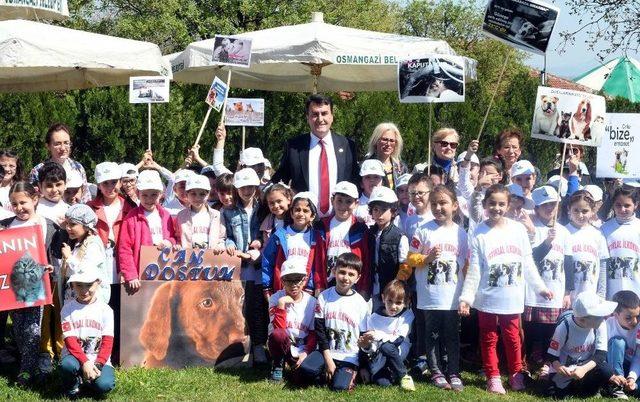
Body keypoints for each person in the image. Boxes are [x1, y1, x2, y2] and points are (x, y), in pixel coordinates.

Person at [459, 184, 552, 394]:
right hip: (488, 299)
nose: (496, 208)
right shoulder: (479, 232)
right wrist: (466, 298)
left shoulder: (518, 229)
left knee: (512, 337)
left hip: (512, 297)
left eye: (502, 204)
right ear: (484, 205)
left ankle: (516, 374)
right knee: (489, 337)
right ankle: (493, 376)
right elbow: (474, 269)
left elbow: (527, 263)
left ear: (508, 205)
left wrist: (540, 288)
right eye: (492, 203)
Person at [407, 185, 467, 391]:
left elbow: (466, 266)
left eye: (443, 203)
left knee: (452, 335)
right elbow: (410, 258)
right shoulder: (423, 229)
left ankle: (453, 371)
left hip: (452, 296)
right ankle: (436, 371)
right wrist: (426, 258)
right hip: (430, 296)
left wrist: (466, 296)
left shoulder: (462, 233)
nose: (438, 207)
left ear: (455, 206)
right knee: (431, 334)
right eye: (434, 204)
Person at [0, 182, 62, 385]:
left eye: (23, 202)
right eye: (14, 204)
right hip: (14, 290)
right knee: (18, 329)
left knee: (34, 329)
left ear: (35, 199)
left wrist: (51, 267)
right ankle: (29, 364)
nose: (19, 208)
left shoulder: (47, 225)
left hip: (38, 287)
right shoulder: (6, 226)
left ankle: (28, 369)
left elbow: (54, 255)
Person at [271, 94, 359, 217]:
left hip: (339, 220)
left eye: (324, 113)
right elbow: (280, 179)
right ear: (307, 117)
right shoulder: (294, 147)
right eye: (315, 114)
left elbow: (355, 179)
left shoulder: (347, 145)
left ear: (332, 116)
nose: (320, 119)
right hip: (305, 222)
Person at [298, 252, 369, 391]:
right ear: (334, 271)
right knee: (305, 370)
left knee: (339, 387)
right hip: (327, 351)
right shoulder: (324, 296)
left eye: (351, 274)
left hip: (349, 356)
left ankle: (346, 375)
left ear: (358, 278)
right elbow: (320, 331)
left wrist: (364, 366)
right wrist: (328, 359)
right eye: (342, 272)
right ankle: (330, 373)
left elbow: (363, 338)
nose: (345, 278)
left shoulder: (361, 303)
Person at [523, 186, 572, 372]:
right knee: (530, 330)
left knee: (550, 333)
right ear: (536, 208)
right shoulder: (530, 229)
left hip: (555, 290)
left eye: (553, 204)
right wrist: (546, 243)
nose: (549, 208)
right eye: (545, 205)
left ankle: (546, 364)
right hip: (532, 292)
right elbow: (530, 259)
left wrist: (568, 292)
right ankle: (525, 364)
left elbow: (568, 263)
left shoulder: (564, 232)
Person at [222, 168, 266, 363]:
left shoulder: (262, 209)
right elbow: (228, 236)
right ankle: (240, 349)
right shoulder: (229, 211)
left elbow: (266, 233)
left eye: (251, 187)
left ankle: (258, 346)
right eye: (243, 187)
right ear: (236, 189)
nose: (247, 191)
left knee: (256, 307)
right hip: (239, 265)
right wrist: (230, 246)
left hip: (257, 264)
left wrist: (259, 244)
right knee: (239, 307)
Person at [546, 292, 622, 398]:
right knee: (554, 395)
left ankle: (590, 387)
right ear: (582, 319)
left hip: (587, 367)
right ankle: (573, 386)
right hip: (566, 369)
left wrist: (583, 369)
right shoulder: (564, 327)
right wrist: (559, 368)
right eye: (599, 316)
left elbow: (601, 354)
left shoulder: (600, 324)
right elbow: (552, 355)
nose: (603, 317)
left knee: (606, 370)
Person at [117, 170, 177, 296]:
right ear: (138, 194)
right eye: (145, 195)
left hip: (163, 270)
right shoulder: (131, 217)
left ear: (160, 194)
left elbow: (173, 237)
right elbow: (124, 248)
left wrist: (170, 242)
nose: (149, 199)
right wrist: (131, 274)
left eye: (154, 195)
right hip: (140, 273)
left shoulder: (166, 215)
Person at [60, 267, 115, 398]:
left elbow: (108, 341)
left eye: (89, 285)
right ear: (72, 285)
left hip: (97, 358)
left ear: (98, 283)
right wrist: (85, 362)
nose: (84, 291)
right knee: (67, 365)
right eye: (78, 285)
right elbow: (70, 340)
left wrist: (98, 364)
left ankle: (88, 380)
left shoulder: (105, 310)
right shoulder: (67, 309)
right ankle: (72, 385)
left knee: (104, 385)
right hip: (74, 356)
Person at [262, 192, 327, 297]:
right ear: (291, 213)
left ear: (312, 216)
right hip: (283, 288)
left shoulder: (317, 238)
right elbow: (267, 261)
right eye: (297, 210)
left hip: (307, 289)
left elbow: (320, 266)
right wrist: (267, 287)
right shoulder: (280, 235)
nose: (301, 214)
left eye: (306, 211)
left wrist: (319, 286)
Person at [358, 280, 415, 391]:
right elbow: (373, 347)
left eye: (398, 303)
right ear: (383, 298)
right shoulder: (373, 318)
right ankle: (390, 372)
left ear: (406, 302)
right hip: (380, 356)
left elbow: (398, 340)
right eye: (390, 301)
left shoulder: (407, 315)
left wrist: (378, 335)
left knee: (386, 346)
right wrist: (366, 346)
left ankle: (403, 375)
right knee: (383, 383)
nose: (393, 306)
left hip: (398, 351)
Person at [267, 260, 317, 382]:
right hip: (283, 345)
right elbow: (279, 329)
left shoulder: (312, 302)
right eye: (289, 280)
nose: (293, 284)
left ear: (304, 280)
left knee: (301, 378)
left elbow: (313, 332)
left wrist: (306, 352)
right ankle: (278, 363)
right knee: (278, 334)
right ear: (282, 281)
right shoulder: (275, 298)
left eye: (297, 279)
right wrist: (281, 304)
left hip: (301, 347)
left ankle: (294, 365)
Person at [319, 181, 371, 298]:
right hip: (327, 281)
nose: (343, 206)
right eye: (339, 200)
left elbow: (366, 261)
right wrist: (319, 284)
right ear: (332, 200)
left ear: (356, 203)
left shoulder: (360, 228)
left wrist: (364, 288)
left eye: (348, 202)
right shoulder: (322, 226)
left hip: (351, 282)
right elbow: (317, 259)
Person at [367, 186, 409, 310]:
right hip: (371, 289)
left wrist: (397, 285)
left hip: (391, 292)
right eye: (375, 209)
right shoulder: (369, 234)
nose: (379, 214)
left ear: (393, 211)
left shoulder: (399, 236)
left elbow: (405, 265)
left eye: (384, 210)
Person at [564, 190, 608, 301]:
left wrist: (601, 294)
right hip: (568, 297)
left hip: (590, 295)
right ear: (569, 210)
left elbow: (603, 265)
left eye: (585, 211)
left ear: (592, 211)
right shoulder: (563, 232)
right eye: (576, 210)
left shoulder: (598, 234)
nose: (580, 215)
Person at [29, 123, 90, 202]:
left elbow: (86, 197)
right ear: (48, 146)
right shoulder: (37, 170)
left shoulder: (78, 167)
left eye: (66, 143)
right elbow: (32, 200)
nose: (63, 148)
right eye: (57, 144)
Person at [61, 204, 109, 304]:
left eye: (73, 224)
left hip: (89, 301)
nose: (68, 228)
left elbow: (85, 271)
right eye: (67, 224)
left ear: (86, 226)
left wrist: (69, 257)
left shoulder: (93, 244)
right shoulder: (80, 242)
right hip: (77, 300)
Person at [601, 187, 640, 299]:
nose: (622, 209)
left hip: (636, 288)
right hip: (612, 290)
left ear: (635, 205)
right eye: (618, 205)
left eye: (627, 205)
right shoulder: (604, 228)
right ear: (613, 205)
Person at [175, 174, 226, 250]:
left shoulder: (217, 215)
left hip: (210, 258)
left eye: (202, 194)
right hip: (188, 259)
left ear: (208, 194)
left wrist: (220, 246)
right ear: (186, 194)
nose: (197, 198)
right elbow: (178, 237)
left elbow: (222, 237)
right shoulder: (181, 216)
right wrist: (178, 245)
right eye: (193, 194)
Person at [605, 290, 640, 399]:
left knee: (636, 387)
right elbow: (601, 354)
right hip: (613, 367)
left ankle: (631, 387)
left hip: (633, 367)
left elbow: (638, 357)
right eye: (628, 318)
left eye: (637, 316)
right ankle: (617, 385)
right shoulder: (608, 324)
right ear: (616, 314)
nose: (634, 321)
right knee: (618, 342)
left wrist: (632, 378)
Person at [363, 123, 408, 190]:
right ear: (376, 141)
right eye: (384, 139)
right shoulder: (365, 166)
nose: (388, 144)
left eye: (392, 141)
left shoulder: (401, 168)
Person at [36, 161, 69, 226]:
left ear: (65, 184)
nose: (54, 190)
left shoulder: (69, 208)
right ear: (40, 186)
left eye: (58, 184)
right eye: (49, 186)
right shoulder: (35, 209)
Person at [354, 159, 385, 226]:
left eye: (376, 177)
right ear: (361, 183)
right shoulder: (355, 206)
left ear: (382, 182)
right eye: (368, 177)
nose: (372, 180)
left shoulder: (389, 204)